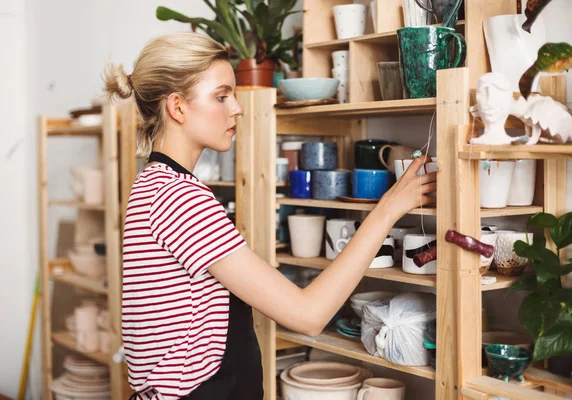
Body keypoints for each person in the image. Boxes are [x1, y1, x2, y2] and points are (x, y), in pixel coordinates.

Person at [103, 32, 436, 400]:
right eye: (221, 96)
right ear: (177, 107)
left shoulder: (152, 183)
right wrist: (388, 208)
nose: (238, 108)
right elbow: (308, 316)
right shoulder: (181, 198)